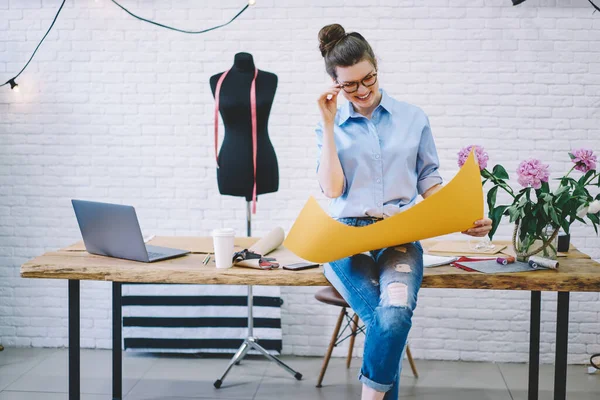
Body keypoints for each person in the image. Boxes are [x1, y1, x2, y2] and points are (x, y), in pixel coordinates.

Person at [315, 24, 492, 400]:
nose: (362, 91)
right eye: (350, 86)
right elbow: (331, 189)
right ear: (335, 84)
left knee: (392, 315)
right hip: (343, 237)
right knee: (388, 324)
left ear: (377, 67)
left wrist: (463, 217)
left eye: (368, 79)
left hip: (399, 234)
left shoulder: (414, 118)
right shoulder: (330, 124)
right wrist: (330, 126)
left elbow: (429, 177)